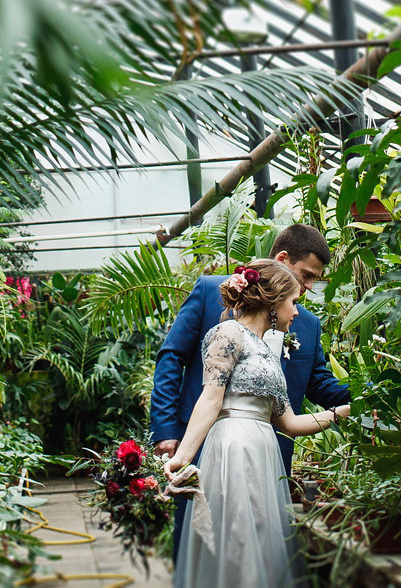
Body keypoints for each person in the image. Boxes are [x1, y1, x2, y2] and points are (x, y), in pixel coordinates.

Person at [150, 226, 351, 574]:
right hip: (211, 444)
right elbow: (173, 358)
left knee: (261, 549)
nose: (308, 288)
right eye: (305, 276)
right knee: (206, 542)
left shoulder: (306, 323)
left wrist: (365, 401)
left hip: (269, 453)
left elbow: (318, 384)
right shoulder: (212, 294)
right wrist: (170, 434)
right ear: (284, 261)